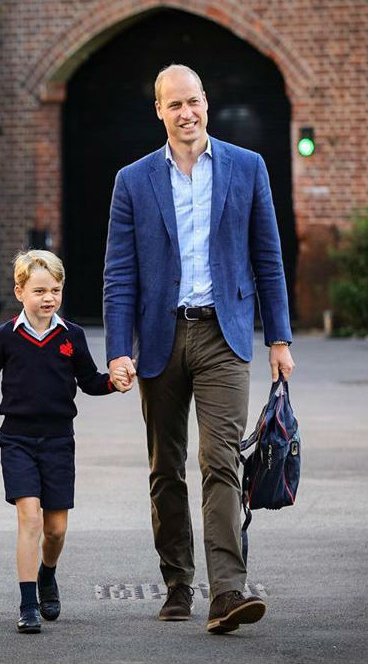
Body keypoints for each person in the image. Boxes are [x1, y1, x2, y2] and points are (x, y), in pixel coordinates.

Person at [103, 64, 296, 634]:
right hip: (160, 338)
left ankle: (228, 592)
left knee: (221, 462)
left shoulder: (247, 166)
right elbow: (120, 275)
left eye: (193, 102)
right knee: (166, 469)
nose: (186, 113)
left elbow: (269, 257)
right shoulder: (133, 180)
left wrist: (278, 338)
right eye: (174, 105)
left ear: (206, 103)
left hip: (224, 334)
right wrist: (119, 349)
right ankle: (177, 581)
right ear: (158, 111)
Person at [0, 250, 130, 634]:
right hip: (17, 440)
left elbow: (89, 381)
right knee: (30, 518)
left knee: (55, 530)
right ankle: (27, 605)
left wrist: (112, 382)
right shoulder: (5, 337)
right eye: (39, 290)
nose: (48, 297)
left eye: (55, 289)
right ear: (20, 291)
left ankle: (47, 574)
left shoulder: (72, 335)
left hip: (58, 441)